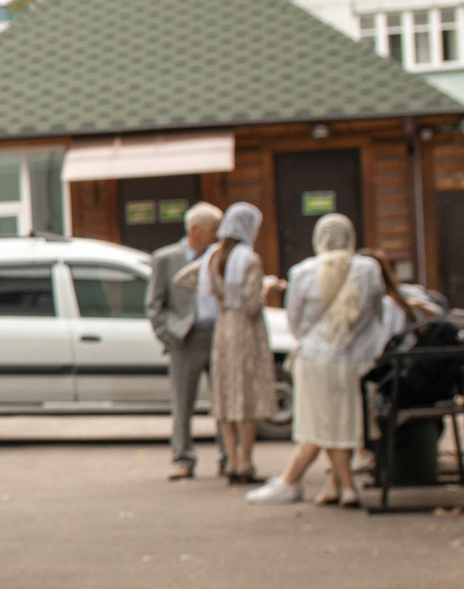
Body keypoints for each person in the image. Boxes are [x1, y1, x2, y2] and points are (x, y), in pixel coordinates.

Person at [249, 213, 404, 506]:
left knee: (324, 424)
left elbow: (294, 321)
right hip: (358, 360)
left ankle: (345, 488)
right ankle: (335, 486)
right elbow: (377, 314)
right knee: (347, 422)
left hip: (315, 358)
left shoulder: (303, 272)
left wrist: (316, 337)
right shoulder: (368, 269)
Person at [178, 201, 276, 486]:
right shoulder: (250, 259)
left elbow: (183, 279)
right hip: (246, 330)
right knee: (246, 396)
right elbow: (252, 304)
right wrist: (267, 287)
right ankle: (246, 462)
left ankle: (231, 461)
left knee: (226, 395)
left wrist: (218, 297)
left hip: (223, 328)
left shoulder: (213, 257)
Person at [146, 202, 224, 480]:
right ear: (195, 229)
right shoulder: (166, 258)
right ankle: (183, 458)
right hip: (185, 338)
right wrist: (168, 336)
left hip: (217, 335)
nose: (218, 233)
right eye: (214, 228)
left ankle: (228, 457)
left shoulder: (219, 256)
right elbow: (154, 304)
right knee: (182, 403)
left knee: (224, 402)